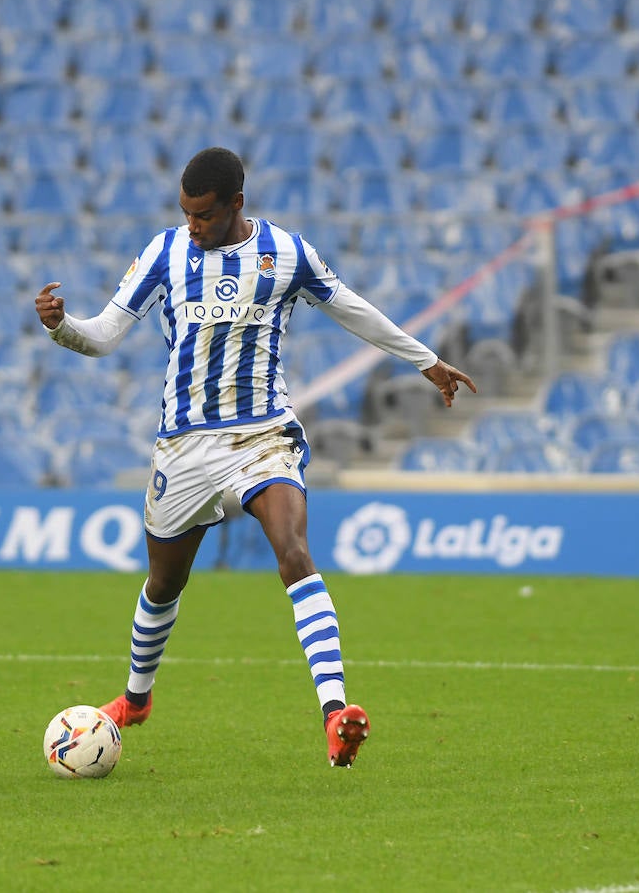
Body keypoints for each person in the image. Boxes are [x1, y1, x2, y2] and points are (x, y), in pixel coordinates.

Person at [34, 148, 475, 767]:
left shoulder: (286, 254)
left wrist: (424, 359)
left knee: (293, 553)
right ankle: (135, 701)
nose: (194, 226)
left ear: (237, 203)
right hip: (184, 445)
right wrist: (61, 326)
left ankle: (335, 714)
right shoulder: (164, 253)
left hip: (262, 435)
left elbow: (351, 306)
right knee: (165, 581)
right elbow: (105, 335)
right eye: (186, 214)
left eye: (205, 215)